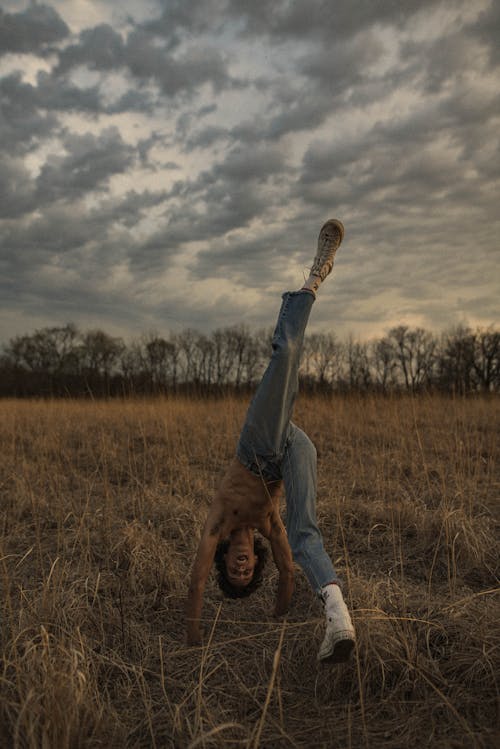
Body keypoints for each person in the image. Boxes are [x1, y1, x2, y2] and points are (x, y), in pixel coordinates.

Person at [186, 219, 355, 663]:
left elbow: (197, 582)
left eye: (234, 570)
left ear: (226, 557)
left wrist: (193, 632)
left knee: (285, 357)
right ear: (255, 561)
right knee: (304, 538)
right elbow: (286, 573)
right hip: (293, 449)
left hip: (258, 446)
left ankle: (315, 276)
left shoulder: (219, 522)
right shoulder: (267, 526)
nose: (242, 568)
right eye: (247, 572)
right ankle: (339, 617)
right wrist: (278, 617)